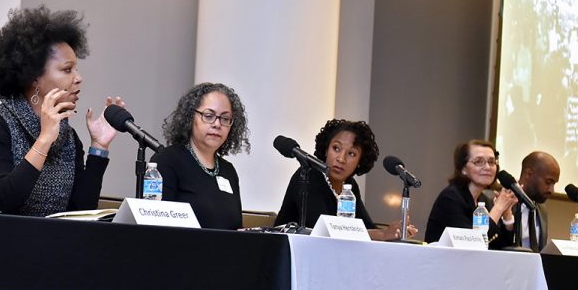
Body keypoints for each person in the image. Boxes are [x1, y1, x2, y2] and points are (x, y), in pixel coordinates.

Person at [0, 6, 123, 216]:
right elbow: (0, 201)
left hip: (49, 245)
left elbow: (81, 211)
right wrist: (44, 139)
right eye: (67, 69)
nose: (78, 77)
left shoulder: (68, 137)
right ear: (33, 77)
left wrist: (98, 148)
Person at [274, 119, 414, 240]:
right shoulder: (308, 175)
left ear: (360, 161)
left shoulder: (349, 185)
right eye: (336, 148)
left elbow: (365, 227)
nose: (341, 159)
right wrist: (382, 234)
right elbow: (325, 230)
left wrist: (393, 231)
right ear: (325, 150)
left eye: (351, 153)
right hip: (285, 256)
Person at [150, 82, 250, 230]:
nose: (217, 124)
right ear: (190, 117)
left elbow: (236, 228)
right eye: (208, 116)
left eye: (225, 118)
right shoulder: (167, 161)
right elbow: (153, 226)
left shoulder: (228, 171)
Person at [424, 140, 517, 249]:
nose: (487, 167)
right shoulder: (450, 198)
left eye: (491, 162)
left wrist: (507, 215)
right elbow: (471, 244)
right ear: (463, 169)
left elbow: (500, 247)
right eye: (479, 162)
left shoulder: (484, 200)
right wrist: (499, 208)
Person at [515, 151, 561, 251]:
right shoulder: (503, 203)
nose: (552, 191)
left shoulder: (541, 209)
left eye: (554, 184)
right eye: (548, 182)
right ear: (528, 174)